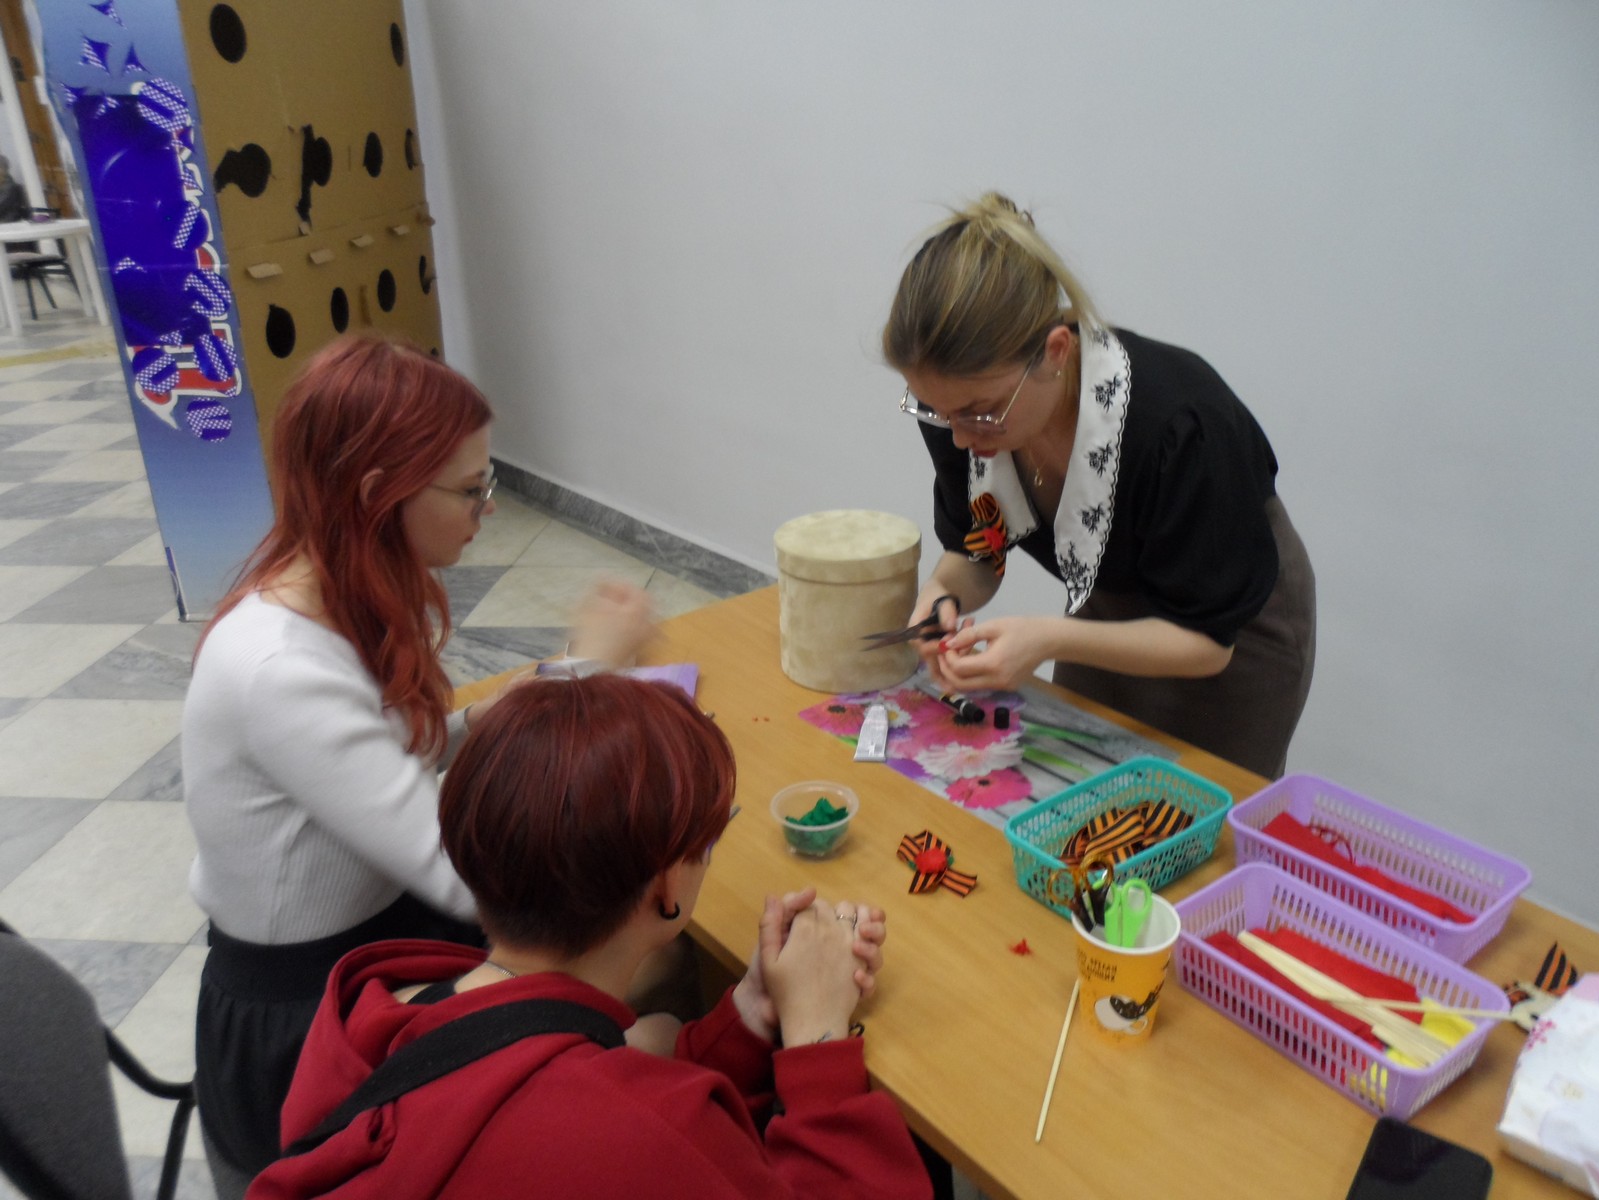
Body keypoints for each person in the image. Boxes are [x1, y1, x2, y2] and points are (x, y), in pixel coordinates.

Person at [182, 334, 656, 1194]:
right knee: (638, 995)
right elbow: (471, 880)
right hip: (305, 1023)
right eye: (472, 490)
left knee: (634, 993)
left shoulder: (340, 594)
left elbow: (408, 749)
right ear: (378, 494)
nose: (488, 508)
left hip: (382, 938)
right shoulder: (279, 667)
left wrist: (555, 685)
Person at [246, 674, 928, 1199]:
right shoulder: (627, 1139)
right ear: (667, 887)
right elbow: (637, 1131)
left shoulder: (377, 1014)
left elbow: (594, 1085)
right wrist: (818, 1040)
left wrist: (751, 1011)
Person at [883, 193, 1315, 779]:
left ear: (1056, 352)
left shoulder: (1182, 427)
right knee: (1082, 784)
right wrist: (941, 596)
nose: (958, 437)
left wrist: (1046, 639)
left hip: (1232, 622)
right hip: (1110, 594)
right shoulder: (963, 409)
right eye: (937, 411)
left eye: (979, 412)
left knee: (1198, 809)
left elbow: (1209, 643)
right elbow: (977, 552)